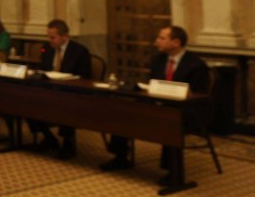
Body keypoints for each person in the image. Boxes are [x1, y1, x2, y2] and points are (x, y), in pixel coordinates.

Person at [101, 25, 210, 181]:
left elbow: (198, 96)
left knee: (169, 119)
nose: (156, 42)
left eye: (161, 38)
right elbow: (154, 84)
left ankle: (174, 171)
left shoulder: (196, 65)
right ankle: (120, 157)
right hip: (160, 103)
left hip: (187, 109)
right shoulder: (158, 60)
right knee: (125, 110)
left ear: (176, 42)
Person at [29, 19, 92, 159]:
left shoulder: (80, 51)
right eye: (48, 36)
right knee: (28, 100)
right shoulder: (47, 49)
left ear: (65, 37)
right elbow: (43, 70)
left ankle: (67, 142)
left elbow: (85, 77)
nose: (49, 40)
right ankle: (49, 138)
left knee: (66, 104)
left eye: (53, 37)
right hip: (49, 90)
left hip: (71, 93)